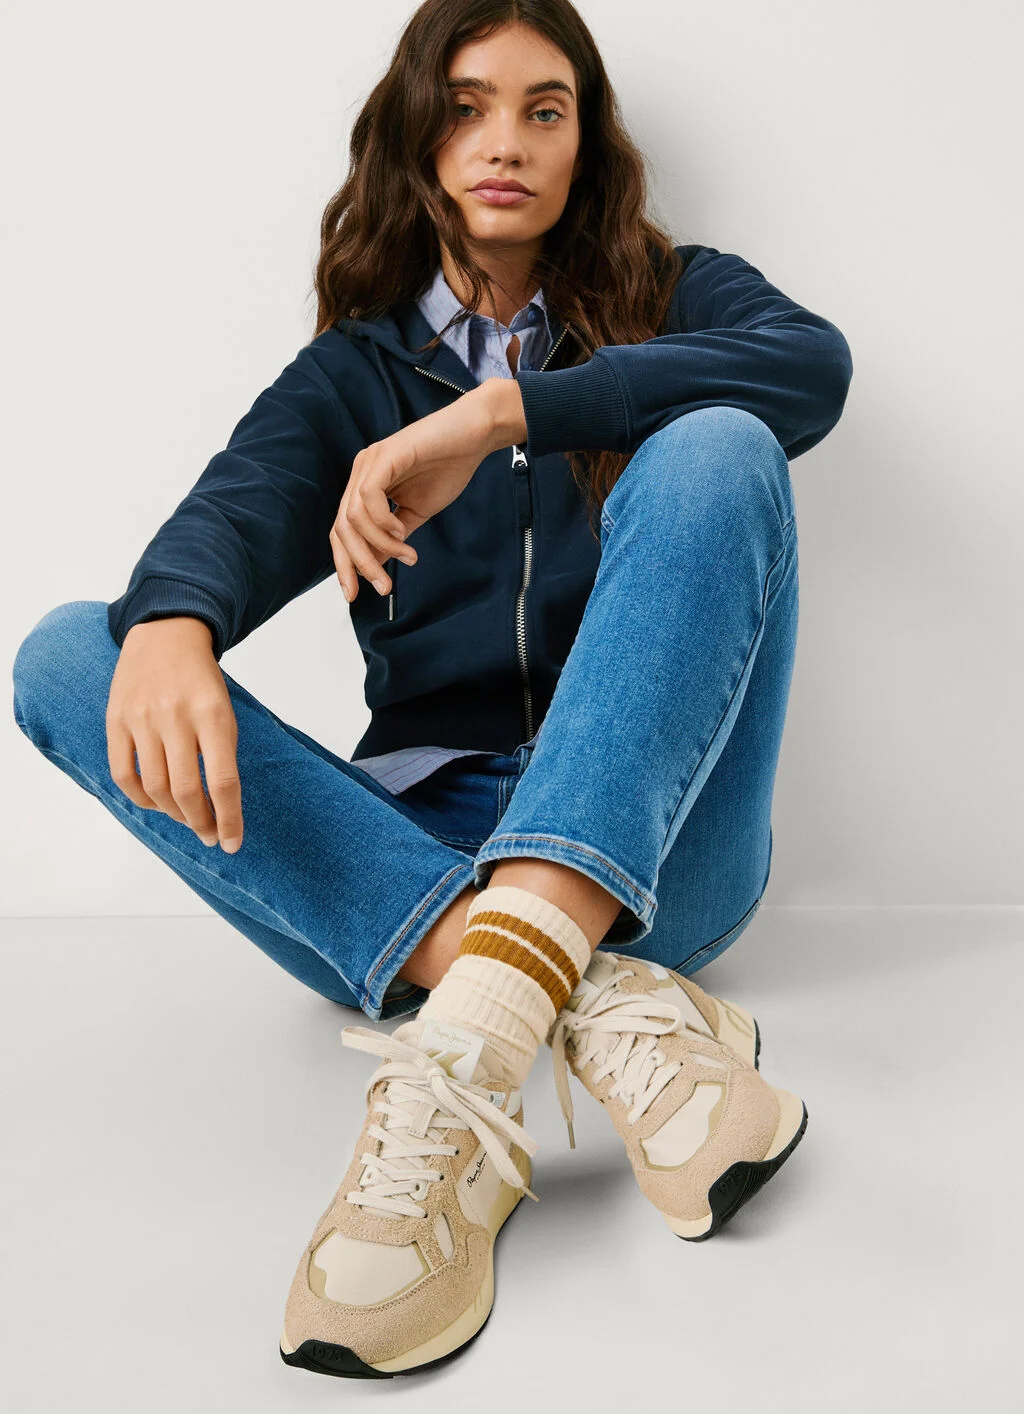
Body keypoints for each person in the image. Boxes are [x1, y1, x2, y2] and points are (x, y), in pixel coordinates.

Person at [11, 0, 853, 1383]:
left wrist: (503, 412)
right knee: (64, 654)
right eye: (465, 107)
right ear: (415, 138)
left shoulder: (680, 297)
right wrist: (172, 621)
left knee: (719, 447)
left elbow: (813, 370)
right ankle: (586, 1007)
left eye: (543, 108)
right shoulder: (355, 374)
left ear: (587, 145)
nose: (503, 141)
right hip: (407, 868)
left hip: (662, 857)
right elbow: (233, 515)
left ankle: (467, 1055)